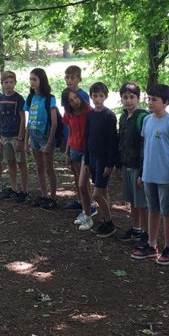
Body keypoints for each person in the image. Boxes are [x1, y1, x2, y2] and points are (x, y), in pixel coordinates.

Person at [131, 84, 169, 265]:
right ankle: (152, 245)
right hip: (149, 175)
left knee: (167, 212)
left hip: (166, 177)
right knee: (152, 209)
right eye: (149, 99)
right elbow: (145, 148)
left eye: (154, 99)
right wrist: (141, 172)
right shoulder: (147, 120)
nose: (150, 102)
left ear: (165, 102)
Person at [83, 82, 118, 236]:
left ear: (105, 97)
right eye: (95, 96)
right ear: (91, 96)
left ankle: (110, 222)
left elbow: (113, 142)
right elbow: (87, 137)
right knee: (103, 191)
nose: (97, 99)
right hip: (92, 158)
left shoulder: (109, 116)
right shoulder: (90, 115)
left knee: (96, 194)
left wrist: (110, 164)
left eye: (100, 96)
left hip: (103, 160)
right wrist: (86, 160)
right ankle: (105, 219)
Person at [116, 82, 150, 244]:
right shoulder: (123, 117)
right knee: (132, 201)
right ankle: (136, 229)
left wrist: (143, 172)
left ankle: (147, 234)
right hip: (127, 164)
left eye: (132, 97)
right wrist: (118, 165)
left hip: (138, 166)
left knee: (142, 203)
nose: (128, 100)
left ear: (138, 98)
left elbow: (145, 146)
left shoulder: (142, 118)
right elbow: (120, 141)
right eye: (125, 97)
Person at [61, 87, 96, 230]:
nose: (74, 101)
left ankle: (90, 211)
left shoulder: (89, 111)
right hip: (74, 149)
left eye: (75, 97)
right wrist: (67, 151)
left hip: (86, 151)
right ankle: (86, 208)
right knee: (80, 181)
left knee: (84, 183)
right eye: (70, 100)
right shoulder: (68, 113)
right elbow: (70, 132)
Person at [24, 67, 58, 209]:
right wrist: (25, 141)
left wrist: (49, 143)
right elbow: (29, 121)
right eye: (30, 79)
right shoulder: (30, 98)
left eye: (34, 79)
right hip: (33, 136)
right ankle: (44, 195)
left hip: (45, 136)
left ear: (42, 80)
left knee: (49, 168)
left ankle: (53, 197)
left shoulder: (50, 98)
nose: (32, 82)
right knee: (39, 168)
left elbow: (54, 123)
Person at [0, 70, 29, 202]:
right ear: (2, 84)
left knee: (21, 163)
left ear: (15, 83)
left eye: (11, 82)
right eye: (6, 82)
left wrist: (21, 138)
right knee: (10, 162)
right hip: (5, 135)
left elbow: (23, 118)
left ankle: (25, 191)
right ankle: (14, 189)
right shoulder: (0, 99)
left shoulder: (18, 99)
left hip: (16, 136)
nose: (8, 85)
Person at [62, 64, 91, 211]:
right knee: (75, 173)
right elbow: (68, 121)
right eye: (67, 77)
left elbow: (87, 118)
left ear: (79, 79)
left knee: (83, 178)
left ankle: (89, 204)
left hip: (83, 144)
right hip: (72, 141)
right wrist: (67, 148)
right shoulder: (66, 95)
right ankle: (80, 201)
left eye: (72, 77)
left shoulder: (82, 96)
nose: (69, 80)